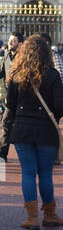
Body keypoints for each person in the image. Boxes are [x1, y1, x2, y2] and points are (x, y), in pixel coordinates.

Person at [5, 34, 63, 230]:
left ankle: (32, 217)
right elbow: (60, 104)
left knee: (28, 173)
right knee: (46, 174)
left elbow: (10, 105)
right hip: (46, 129)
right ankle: (50, 214)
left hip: (22, 129)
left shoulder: (17, 75)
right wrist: (53, 119)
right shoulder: (52, 75)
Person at [0, 32, 24, 162]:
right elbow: (2, 73)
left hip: (23, 98)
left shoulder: (24, 57)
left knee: (24, 126)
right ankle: (2, 154)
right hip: (10, 98)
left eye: (13, 40)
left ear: (20, 44)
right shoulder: (7, 55)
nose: (10, 42)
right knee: (6, 123)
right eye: (9, 40)